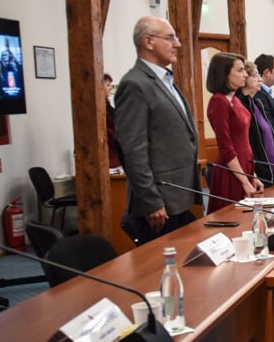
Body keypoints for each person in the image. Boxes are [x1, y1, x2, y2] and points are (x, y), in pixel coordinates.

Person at [114, 16, 200, 244]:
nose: (178, 44)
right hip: (159, 202)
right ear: (148, 41)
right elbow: (133, 150)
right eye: (170, 38)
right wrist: (151, 201)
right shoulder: (135, 84)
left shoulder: (165, 80)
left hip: (178, 195)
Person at [205, 53, 263, 212]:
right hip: (231, 172)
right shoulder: (219, 101)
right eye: (240, 70)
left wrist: (254, 176)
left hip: (245, 166)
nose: (245, 74)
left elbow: (244, 140)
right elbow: (226, 147)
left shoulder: (235, 99)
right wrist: (245, 182)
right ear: (225, 73)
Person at [237, 61, 274, 183]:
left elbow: (268, 129)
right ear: (245, 79)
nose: (260, 80)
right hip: (260, 169)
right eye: (256, 75)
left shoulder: (257, 102)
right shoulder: (240, 104)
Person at [103, 73, 123, 172]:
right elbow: (105, 130)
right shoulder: (99, 108)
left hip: (116, 150)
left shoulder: (107, 105)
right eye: (107, 85)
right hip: (108, 153)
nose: (110, 88)